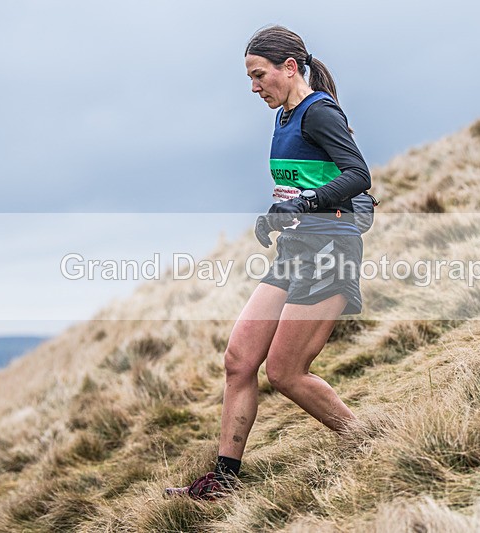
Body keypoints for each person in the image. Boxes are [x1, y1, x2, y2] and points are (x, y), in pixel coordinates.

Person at [165, 24, 372, 500]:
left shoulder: (319, 113)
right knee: (239, 360)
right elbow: (303, 182)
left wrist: (300, 207)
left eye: (260, 76)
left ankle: (368, 441)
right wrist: (276, 216)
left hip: (330, 253)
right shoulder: (283, 117)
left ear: (290, 68)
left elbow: (358, 174)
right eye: (251, 79)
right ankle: (223, 482)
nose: (255, 87)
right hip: (296, 251)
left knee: (285, 372)